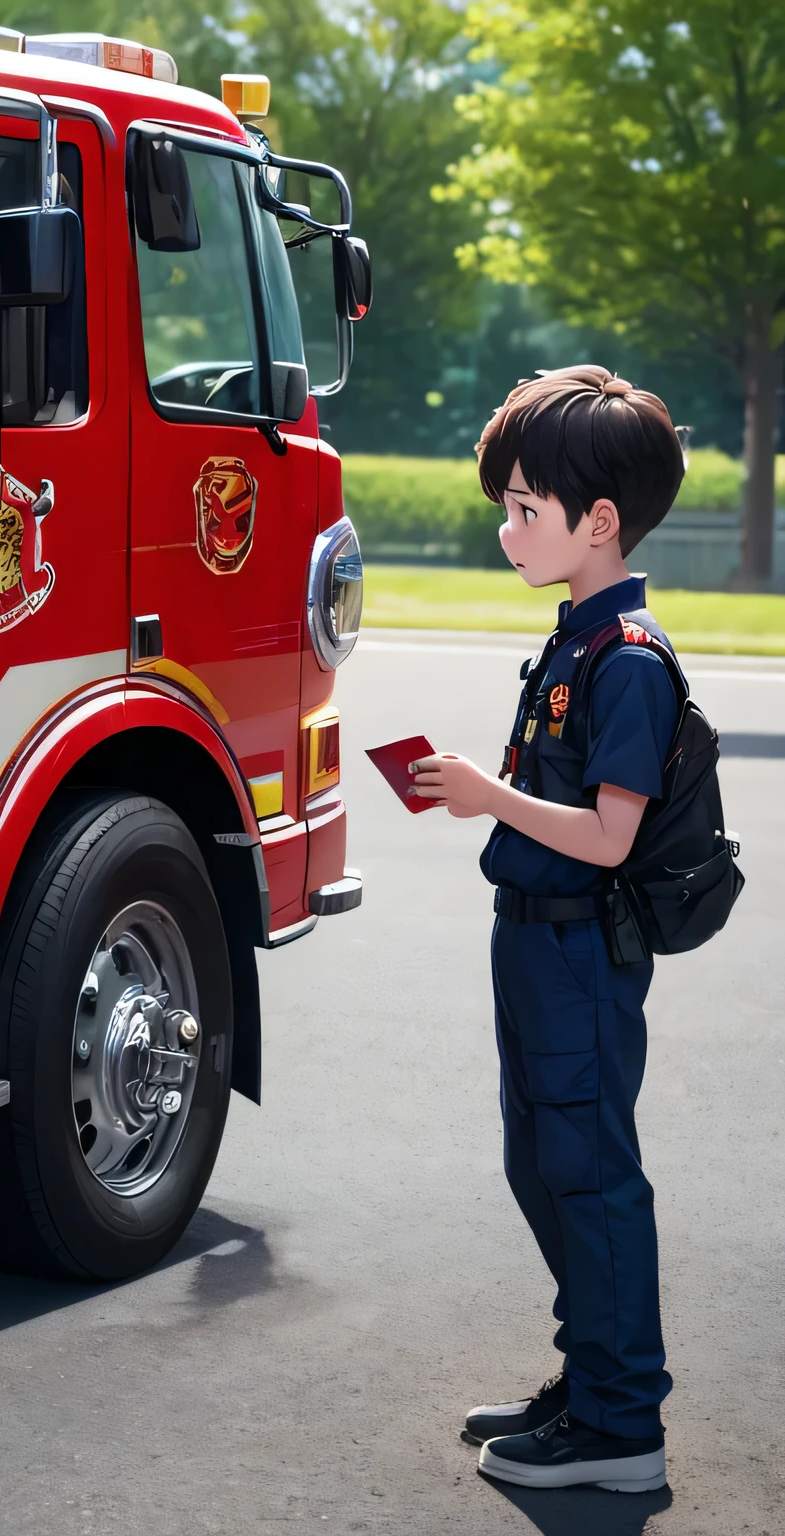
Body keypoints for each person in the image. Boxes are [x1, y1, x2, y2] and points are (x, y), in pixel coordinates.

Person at [411, 365, 686, 1493]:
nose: (506, 527)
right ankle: (591, 1381)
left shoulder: (625, 660)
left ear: (598, 522)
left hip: (576, 945)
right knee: (544, 1165)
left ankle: (621, 1430)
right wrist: (478, 792)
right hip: (531, 939)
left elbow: (611, 837)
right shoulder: (578, 638)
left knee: (588, 1174)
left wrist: (488, 797)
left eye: (526, 508)